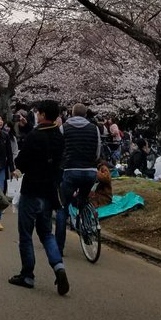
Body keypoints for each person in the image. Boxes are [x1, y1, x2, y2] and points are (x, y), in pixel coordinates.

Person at [9, 98, 69, 295]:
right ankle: (58, 267)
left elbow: (22, 162)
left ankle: (27, 274)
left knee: (26, 234)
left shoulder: (35, 136)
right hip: (49, 191)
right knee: (46, 233)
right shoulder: (59, 137)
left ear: (42, 114)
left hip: (31, 190)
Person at [55, 103, 101, 257]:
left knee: (63, 208)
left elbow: (59, 150)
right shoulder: (94, 128)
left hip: (70, 170)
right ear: (86, 114)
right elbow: (97, 151)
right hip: (90, 172)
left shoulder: (64, 128)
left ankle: (59, 247)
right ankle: (87, 230)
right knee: (83, 200)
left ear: (72, 113)